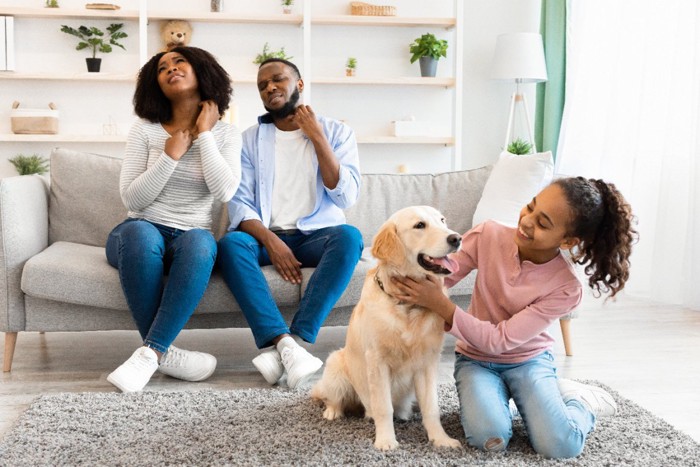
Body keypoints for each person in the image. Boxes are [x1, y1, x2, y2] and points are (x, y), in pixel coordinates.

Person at [392, 176, 638, 459]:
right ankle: (514, 403)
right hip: (475, 360)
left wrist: (442, 306)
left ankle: (579, 401)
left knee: (561, 446)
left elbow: (501, 340)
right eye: (530, 207)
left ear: (568, 240)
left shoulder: (566, 287)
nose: (528, 221)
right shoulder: (488, 235)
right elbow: (439, 277)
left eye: (543, 223)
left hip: (528, 361)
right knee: (489, 438)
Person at [217, 58, 363, 389]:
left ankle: (294, 342)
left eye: (278, 79)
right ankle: (281, 341)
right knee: (230, 245)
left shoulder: (338, 132)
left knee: (349, 238)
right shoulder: (250, 139)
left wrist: (318, 138)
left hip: (317, 237)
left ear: (298, 84)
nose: (269, 87)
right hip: (267, 237)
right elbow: (239, 203)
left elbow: (345, 198)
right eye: (262, 85)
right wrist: (271, 241)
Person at [105, 46, 242, 393]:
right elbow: (133, 199)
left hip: (189, 234)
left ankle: (151, 354)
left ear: (202, 72)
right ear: (156, 85)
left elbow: (224, 191)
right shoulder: (145, 130)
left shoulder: (226, 134)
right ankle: (163, 351)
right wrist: (170, 155)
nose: (170, 68)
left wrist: (205, 134)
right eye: (162, 67)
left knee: (201, 241)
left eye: (179, 61)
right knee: (141, 234)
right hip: (137, 231)